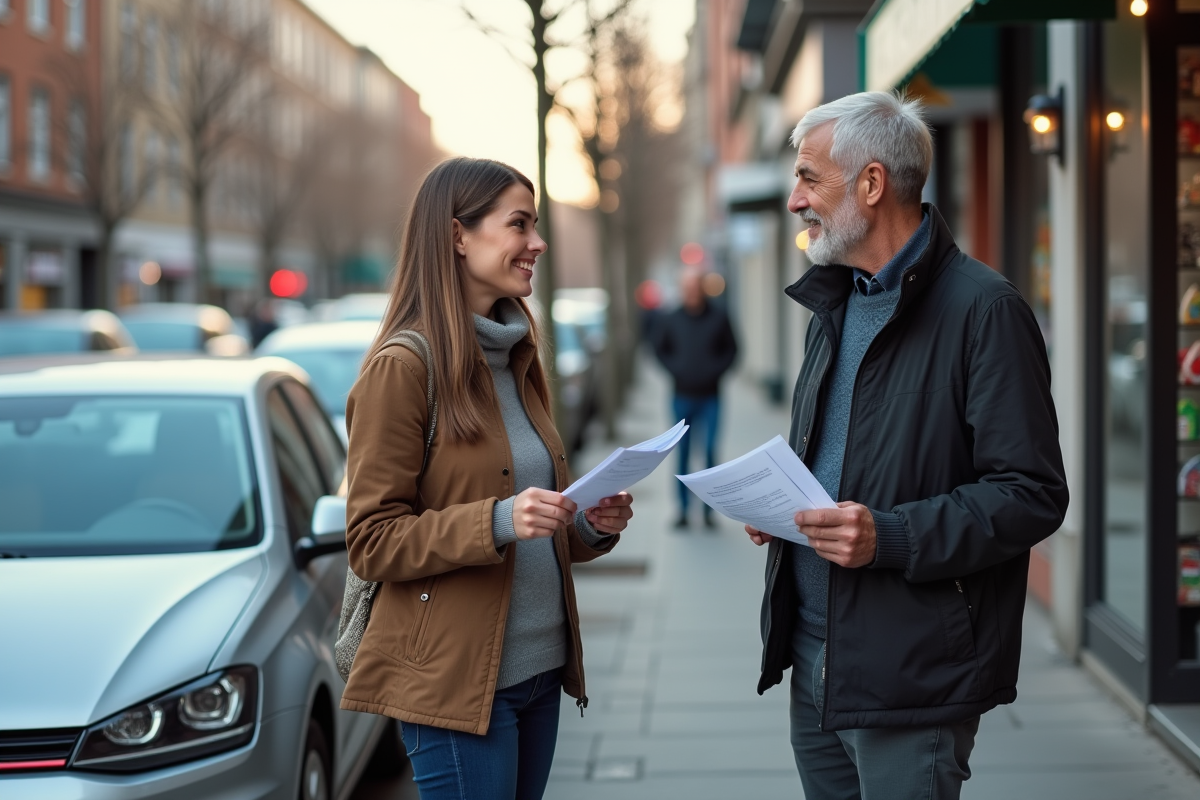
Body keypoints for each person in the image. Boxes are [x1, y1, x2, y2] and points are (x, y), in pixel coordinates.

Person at [745, 92, 1068, 800]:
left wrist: (887, 536)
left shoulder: (985, 310)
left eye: (808, 178)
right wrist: (784, 503)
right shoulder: (834, 301)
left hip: (911, 668)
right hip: (814, 656)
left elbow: (1031, 494)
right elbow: (849, 451)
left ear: (871, 183)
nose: (795, 199)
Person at [339, 157, 635, 800]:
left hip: (539, 672)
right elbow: (371, 539)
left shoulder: (516, 356)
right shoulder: (403, 368)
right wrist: (500, 519)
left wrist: (585, 524)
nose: (538, 242)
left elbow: (535, 519)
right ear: (456, 236)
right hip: (455, 684)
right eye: (519, 224)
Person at [652, 267, 738, 528]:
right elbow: (659, 349)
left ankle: (710, 511)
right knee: (683, 454)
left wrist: (715, 371)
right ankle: (683, 510)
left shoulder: (719, 316)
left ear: (702, 288)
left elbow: (733, 350)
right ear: (682, 290)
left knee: (710, 451)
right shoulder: (672, 318)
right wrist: (676, 369)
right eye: (687, 288)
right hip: (682, 396)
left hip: (711, 396)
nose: (692, 292)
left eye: (695, 287)